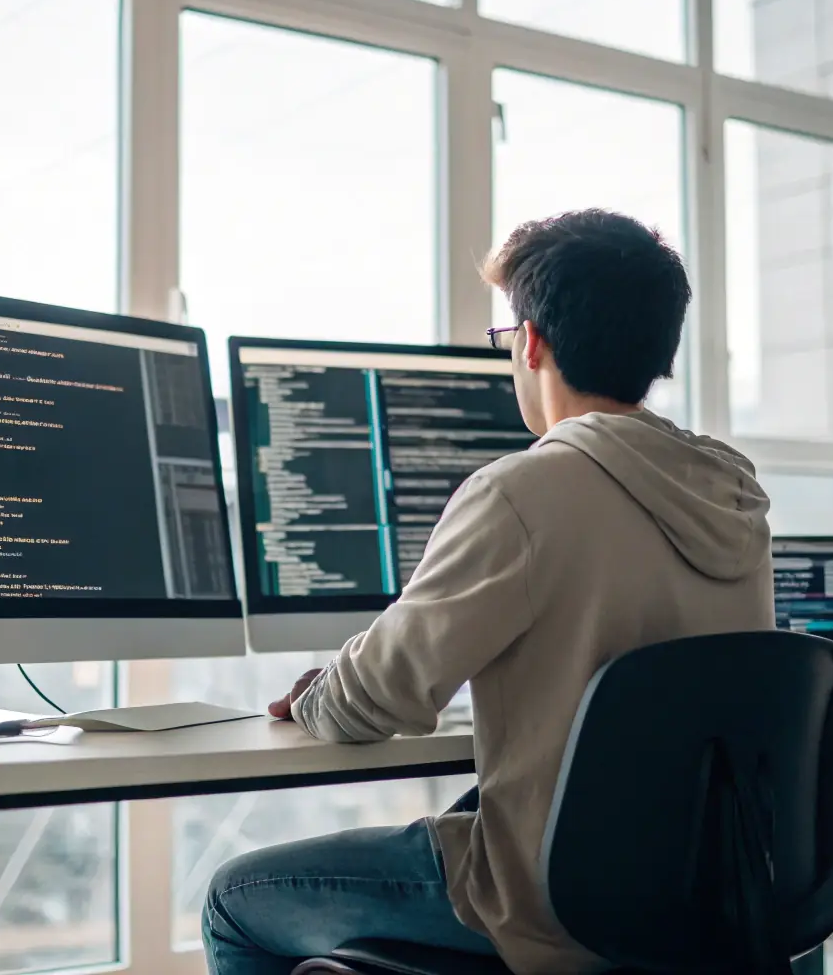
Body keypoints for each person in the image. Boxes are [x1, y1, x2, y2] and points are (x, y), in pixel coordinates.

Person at [202, 209, 775, 975]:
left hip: (553, 902)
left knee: (233, 898)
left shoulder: (525, 489)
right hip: (704, 889)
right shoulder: (733, 491)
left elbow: (377, 701)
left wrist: (316, 694)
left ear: (530, 341)